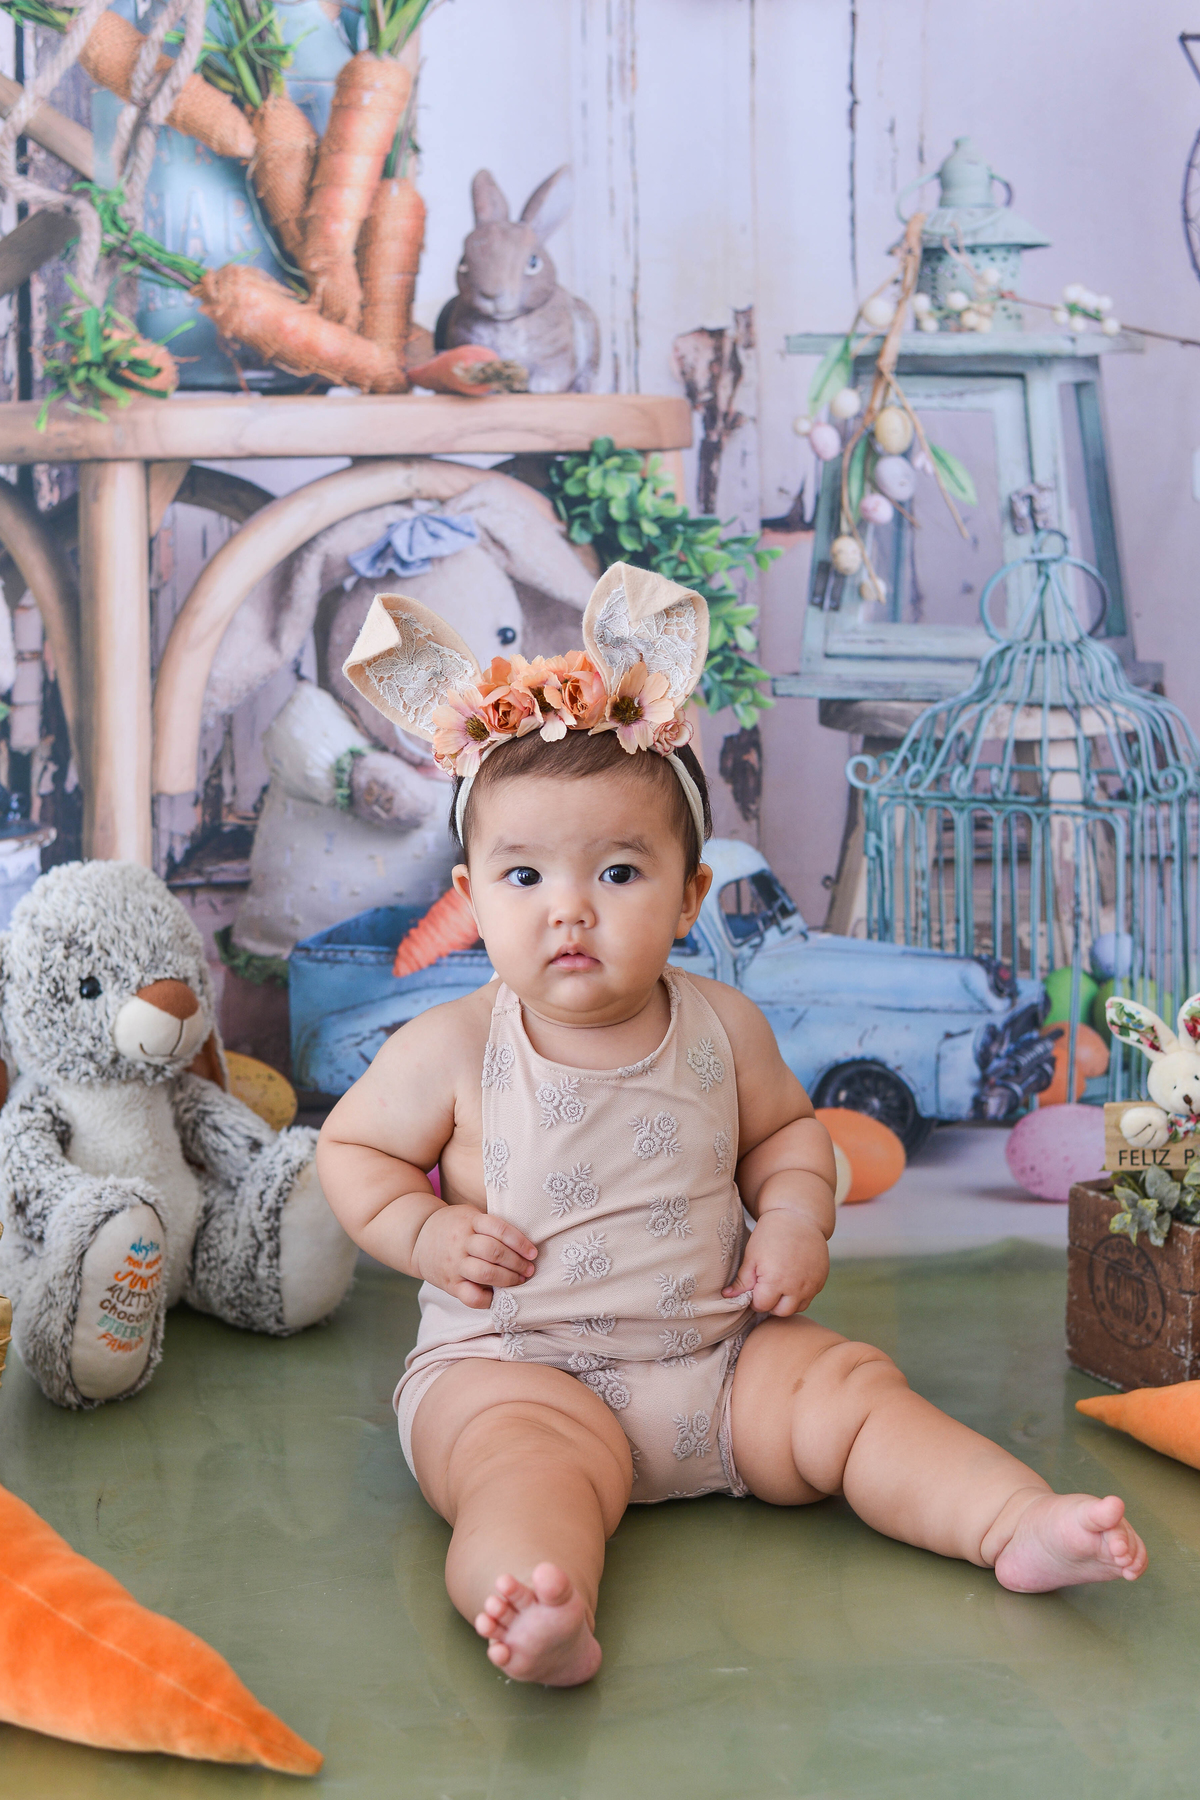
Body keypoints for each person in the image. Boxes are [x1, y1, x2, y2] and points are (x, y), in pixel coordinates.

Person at [317, 566, 1146, 1689]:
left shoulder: (724, 1025)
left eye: (617, 871)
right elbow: (352, 1152)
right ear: (471, 890)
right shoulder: (455, 1045)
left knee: (851, 1390)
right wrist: (423, 1236)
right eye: (523, 874)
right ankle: (535, 1610)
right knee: (515, 1474)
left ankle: (1014, 1524)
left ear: (691, 896)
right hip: (520, 1364)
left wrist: (797, 1219)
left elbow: (788, 1139)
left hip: (719, 1357)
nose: (570, 907)